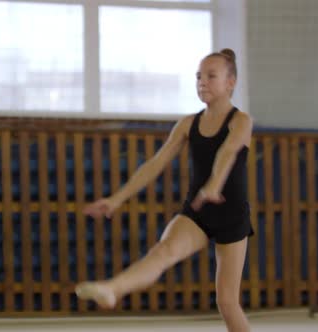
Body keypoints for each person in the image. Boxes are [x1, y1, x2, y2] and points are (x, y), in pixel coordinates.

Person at [76, 48, 254, 332]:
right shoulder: (188, 124)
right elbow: (155, 164)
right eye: (198, 77)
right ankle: (112, 288)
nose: (202, 82)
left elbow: (228, 152)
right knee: (163, 251)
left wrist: (214, 185)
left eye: (211, 76)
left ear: (230, 82)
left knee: (227, 302)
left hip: (232, 216)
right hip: (198, 212)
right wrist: (116, 199)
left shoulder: (241, 120)